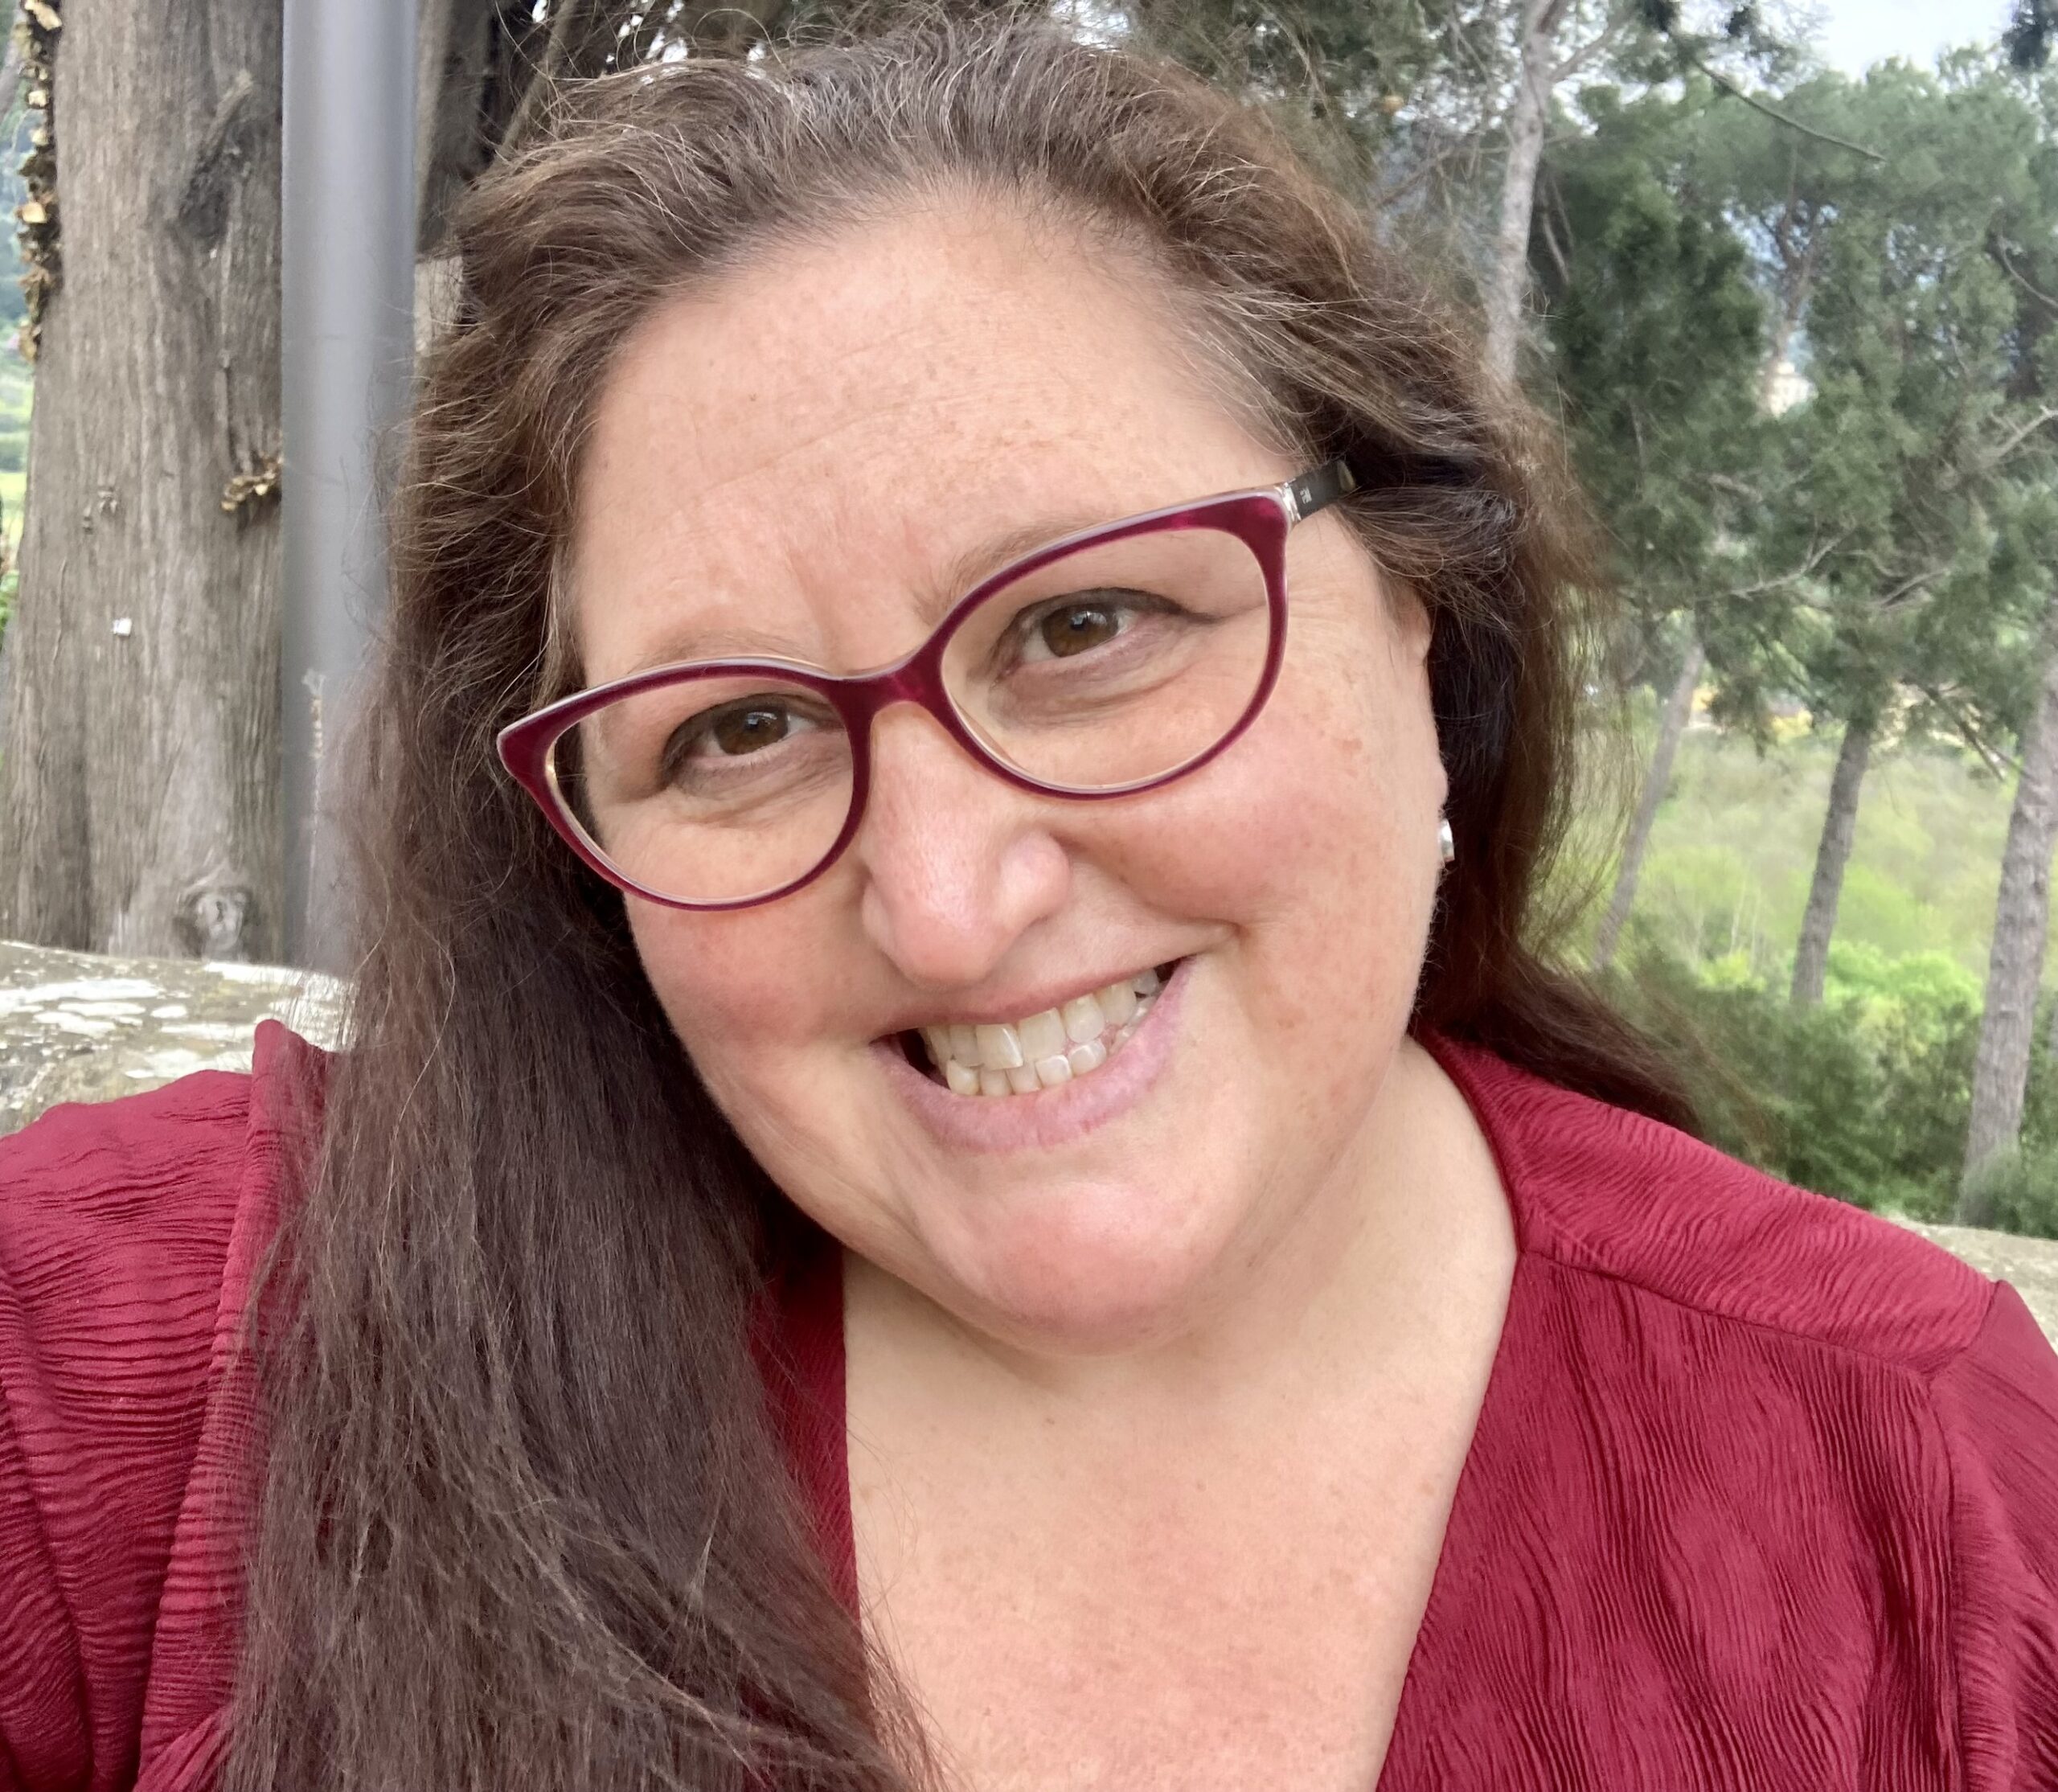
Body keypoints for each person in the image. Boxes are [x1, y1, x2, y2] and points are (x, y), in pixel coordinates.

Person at [2, 18, 2053, 1792]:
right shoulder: (171, 1361)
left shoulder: (1932, 1498)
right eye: (731, 733)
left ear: (1420, 612)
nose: (950, 906)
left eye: (1086, 623)